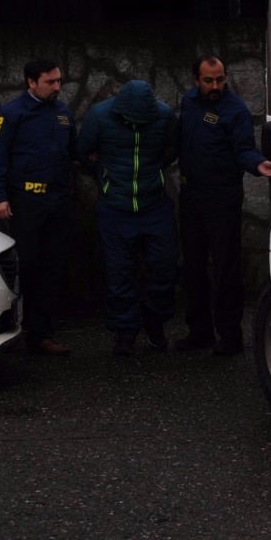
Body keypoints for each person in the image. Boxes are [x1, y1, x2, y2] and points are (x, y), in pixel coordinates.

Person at [176, 55, 271, 355]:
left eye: (220, 79)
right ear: (196, 80)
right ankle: (199, 331)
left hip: (222, 197)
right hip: (191, 196)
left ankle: (230, 336)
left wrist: (259, 164)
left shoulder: (236, 110)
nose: (215, 86)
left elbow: (244, 148)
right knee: (194, 266)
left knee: (226, 268)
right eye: (208, 80)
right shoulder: (189, 102)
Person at [77, 79, 179, 356]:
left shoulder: (165, 116)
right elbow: (82, 152)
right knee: (119, 273)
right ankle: (125, 332)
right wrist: (103, 175)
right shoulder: (99, 116)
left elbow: (174, 148)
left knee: (163, 267)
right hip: (115, 207)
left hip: (154, 205)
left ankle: (154, 321)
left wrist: (156, 169)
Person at [0, 59, 76, 355]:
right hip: (26, 204)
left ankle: (41, 336)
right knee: (27, 268)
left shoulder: (62, 113)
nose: (57, 87)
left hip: (58, 203)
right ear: (31, 82)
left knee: (53, 268)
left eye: (59, 81)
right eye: (50, 82)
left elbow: (72, 154)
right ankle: (11, 331)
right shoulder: (11, 115)